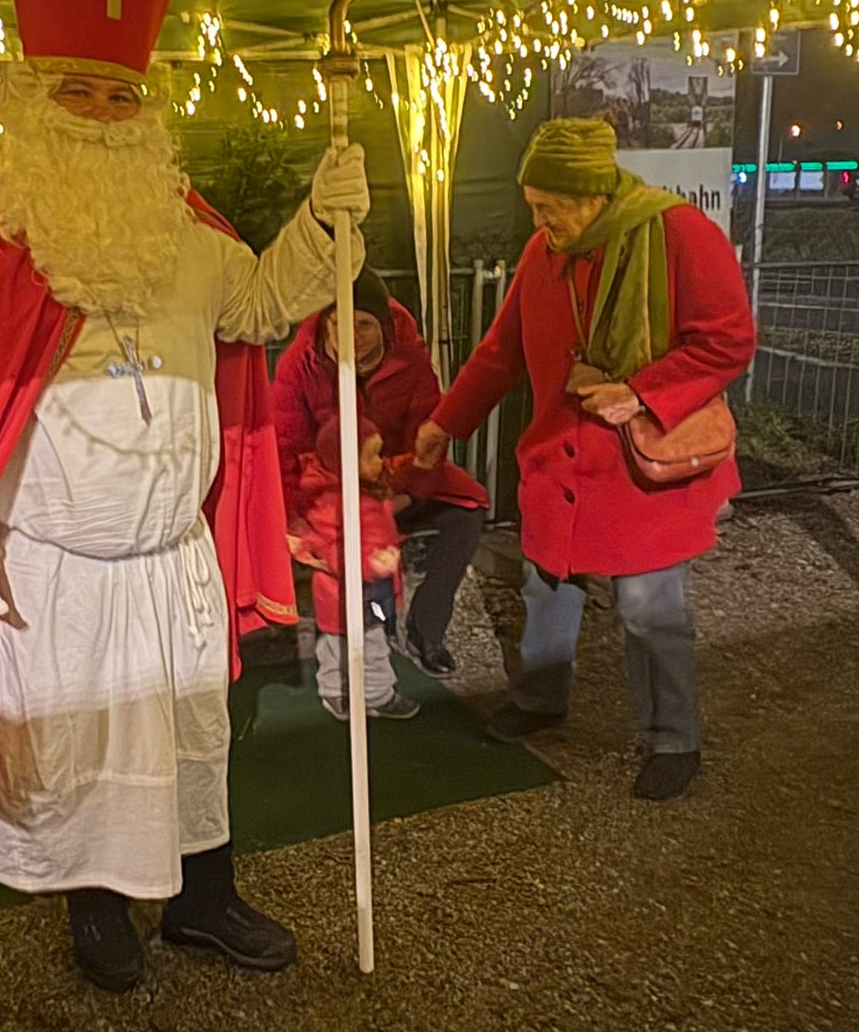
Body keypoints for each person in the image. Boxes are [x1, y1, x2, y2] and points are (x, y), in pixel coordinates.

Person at [0, 0, 370, 993]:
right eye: (79, 90)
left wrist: (324, 223)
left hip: (170, 559)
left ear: (147, 108)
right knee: (78, 753)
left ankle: (204, 901)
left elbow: (255, 303)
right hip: (52, 576)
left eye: (121, 92)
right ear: (33, 99)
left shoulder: (184, 232)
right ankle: (94, 915)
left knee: (196, 739)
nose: (102, 111)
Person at [416, 118, 755, 802]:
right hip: (559, 461)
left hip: (641, 466)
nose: (537, 219)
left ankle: (673, 737)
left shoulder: (682, 235)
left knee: (649, 606)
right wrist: (442, 423)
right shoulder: (544, 250)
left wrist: (641, 392)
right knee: (547, 580)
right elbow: (499, 352)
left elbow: (729, 341)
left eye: (549, 205)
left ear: (594, 192)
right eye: (532, 204)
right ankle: (541, 697)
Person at [272, 267, 488, 677]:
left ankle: (425, 631)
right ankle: (341, 642)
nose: (351, 336)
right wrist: (296, 520)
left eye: (364, 325)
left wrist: (399, 494)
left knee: (466, 512)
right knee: (337, 554)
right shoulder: (299, 367)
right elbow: (285, 449)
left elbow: (427, 441)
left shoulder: (412, 359)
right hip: (328, 497)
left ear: (383, 326)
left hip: (393, 482)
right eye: (339, 324)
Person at [291, 415, 432, 722]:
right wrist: (368, 562)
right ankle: (345, 692)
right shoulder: (331, 501)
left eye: (380, 453)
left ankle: (374, 692)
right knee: (340, 643)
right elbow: (327, 548)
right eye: (372, 455)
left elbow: (377, 523)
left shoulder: (367, 487)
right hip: (342, 593)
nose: (380, 462)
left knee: (374, 638)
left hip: (373, 586)